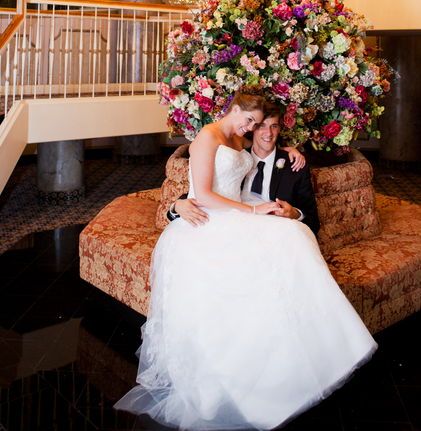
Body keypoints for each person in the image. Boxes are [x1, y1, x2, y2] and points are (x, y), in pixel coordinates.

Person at [115, 88, 377, 430]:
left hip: (236, 212)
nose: (251, 128)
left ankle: (318, 354)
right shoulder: (206, 137)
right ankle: (244, 378)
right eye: (250, 121)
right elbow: (204, 193)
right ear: (234, 108)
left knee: (293, 236)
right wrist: (190, 206)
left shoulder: (239, 140)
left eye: (257, 123)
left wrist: (289, 152)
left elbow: (256, 161)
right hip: (207, 220)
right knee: (251, 263)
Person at [169, 101, 320, 234]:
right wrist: (178, 205)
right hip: (227, 227)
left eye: (274, 126)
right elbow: (207, 189)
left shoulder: (295, 165)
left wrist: (294, 213)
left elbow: (313, 220)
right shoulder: (235, 158)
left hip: (272, 234)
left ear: (279, 128)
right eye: (261, 126)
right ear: (252, 129)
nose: (268, 133)